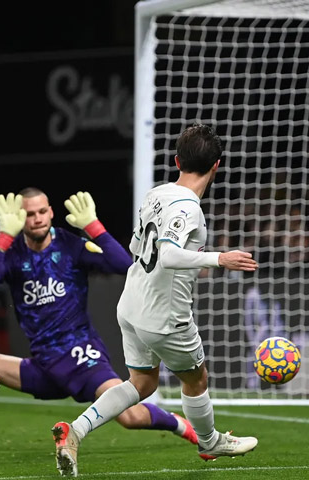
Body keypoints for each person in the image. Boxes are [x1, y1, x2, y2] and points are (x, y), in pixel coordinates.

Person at [0, 187, 199, 459]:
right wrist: (4, 236)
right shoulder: (13, 252)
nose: (37, 218)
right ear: (18, 218)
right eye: (30, 214)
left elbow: (123, 264)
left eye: (42, 211)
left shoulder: (70, 245)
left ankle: (181, 425)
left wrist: (93, 226)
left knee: (130, 416)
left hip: (81, 358)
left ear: (51, 212)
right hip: (43, 366)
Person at [52, 124, 259, 476]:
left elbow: (139, 248)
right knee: (197, 380)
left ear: (177, 160)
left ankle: (76, 430)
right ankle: (209, 442)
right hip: (165, 316)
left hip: (132, 303)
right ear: (217, 166)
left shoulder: (156, 194)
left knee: (142, 383)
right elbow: (168, 256)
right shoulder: (189, 207)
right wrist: (218, 258)